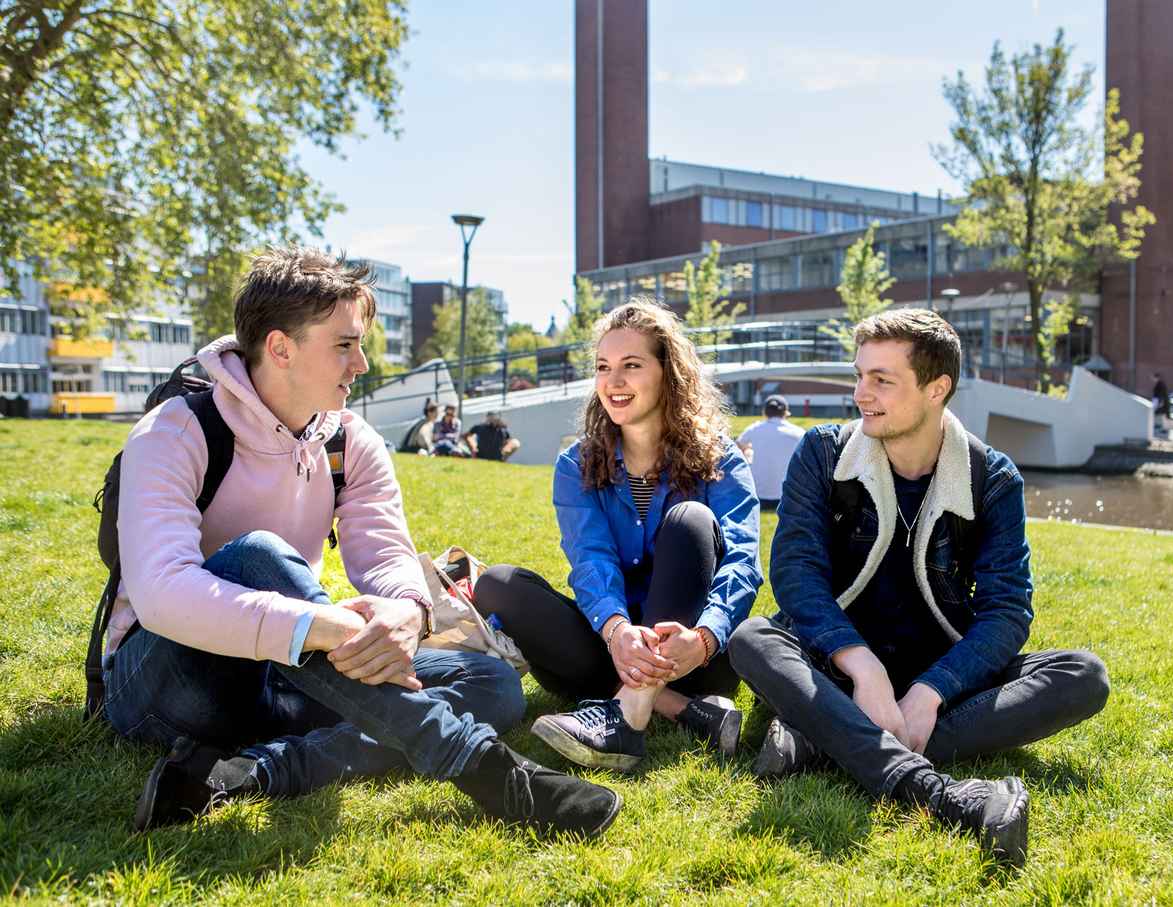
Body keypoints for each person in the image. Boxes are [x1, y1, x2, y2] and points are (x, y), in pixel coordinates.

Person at [104, 246, 620, 837]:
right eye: (345, 345)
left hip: (287, 673)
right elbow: (161, 592)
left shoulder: (350, 440)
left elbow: (383, 552)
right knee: (257, 555)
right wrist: (314, 626)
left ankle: (251, 772)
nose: (363, 363)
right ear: (281, 348)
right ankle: (480, 766)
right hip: (171, 682)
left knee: (492, 683)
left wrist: (408, 610)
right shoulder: (176, 430)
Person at [727, 308, 1109, 868]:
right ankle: (937, 792)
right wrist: (863, 667)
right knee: (752, 639)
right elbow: (795, 572)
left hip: (937, 674)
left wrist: (932, 690)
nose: (861, 394)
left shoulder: (991, 478)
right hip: (834, 663)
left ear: (937, 389)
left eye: (882, 380)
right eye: (860, 375)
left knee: (1084, 675)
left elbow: (1006, 611)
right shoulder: (823, 453)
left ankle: (821, 737)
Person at [475, 300, 762, 771]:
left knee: (689, 519)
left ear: (669, 374)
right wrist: (617, 631)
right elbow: (591, 558)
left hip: (691, 655)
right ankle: (682, 711)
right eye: (603, 367)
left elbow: (743, 563)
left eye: (631, 365)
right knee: (497, 584)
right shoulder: (577, 465)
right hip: (616, 650)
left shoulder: (720, 458)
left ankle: (627, 718)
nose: (613, 381)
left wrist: (706, 638)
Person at [736, 395, 805, 509]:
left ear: (764, 412)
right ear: (786, 412)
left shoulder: (754, 429)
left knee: (748, 453)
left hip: (758, 496)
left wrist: (748, 451)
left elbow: (737, 447)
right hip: (787, 497)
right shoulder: (798, 433)